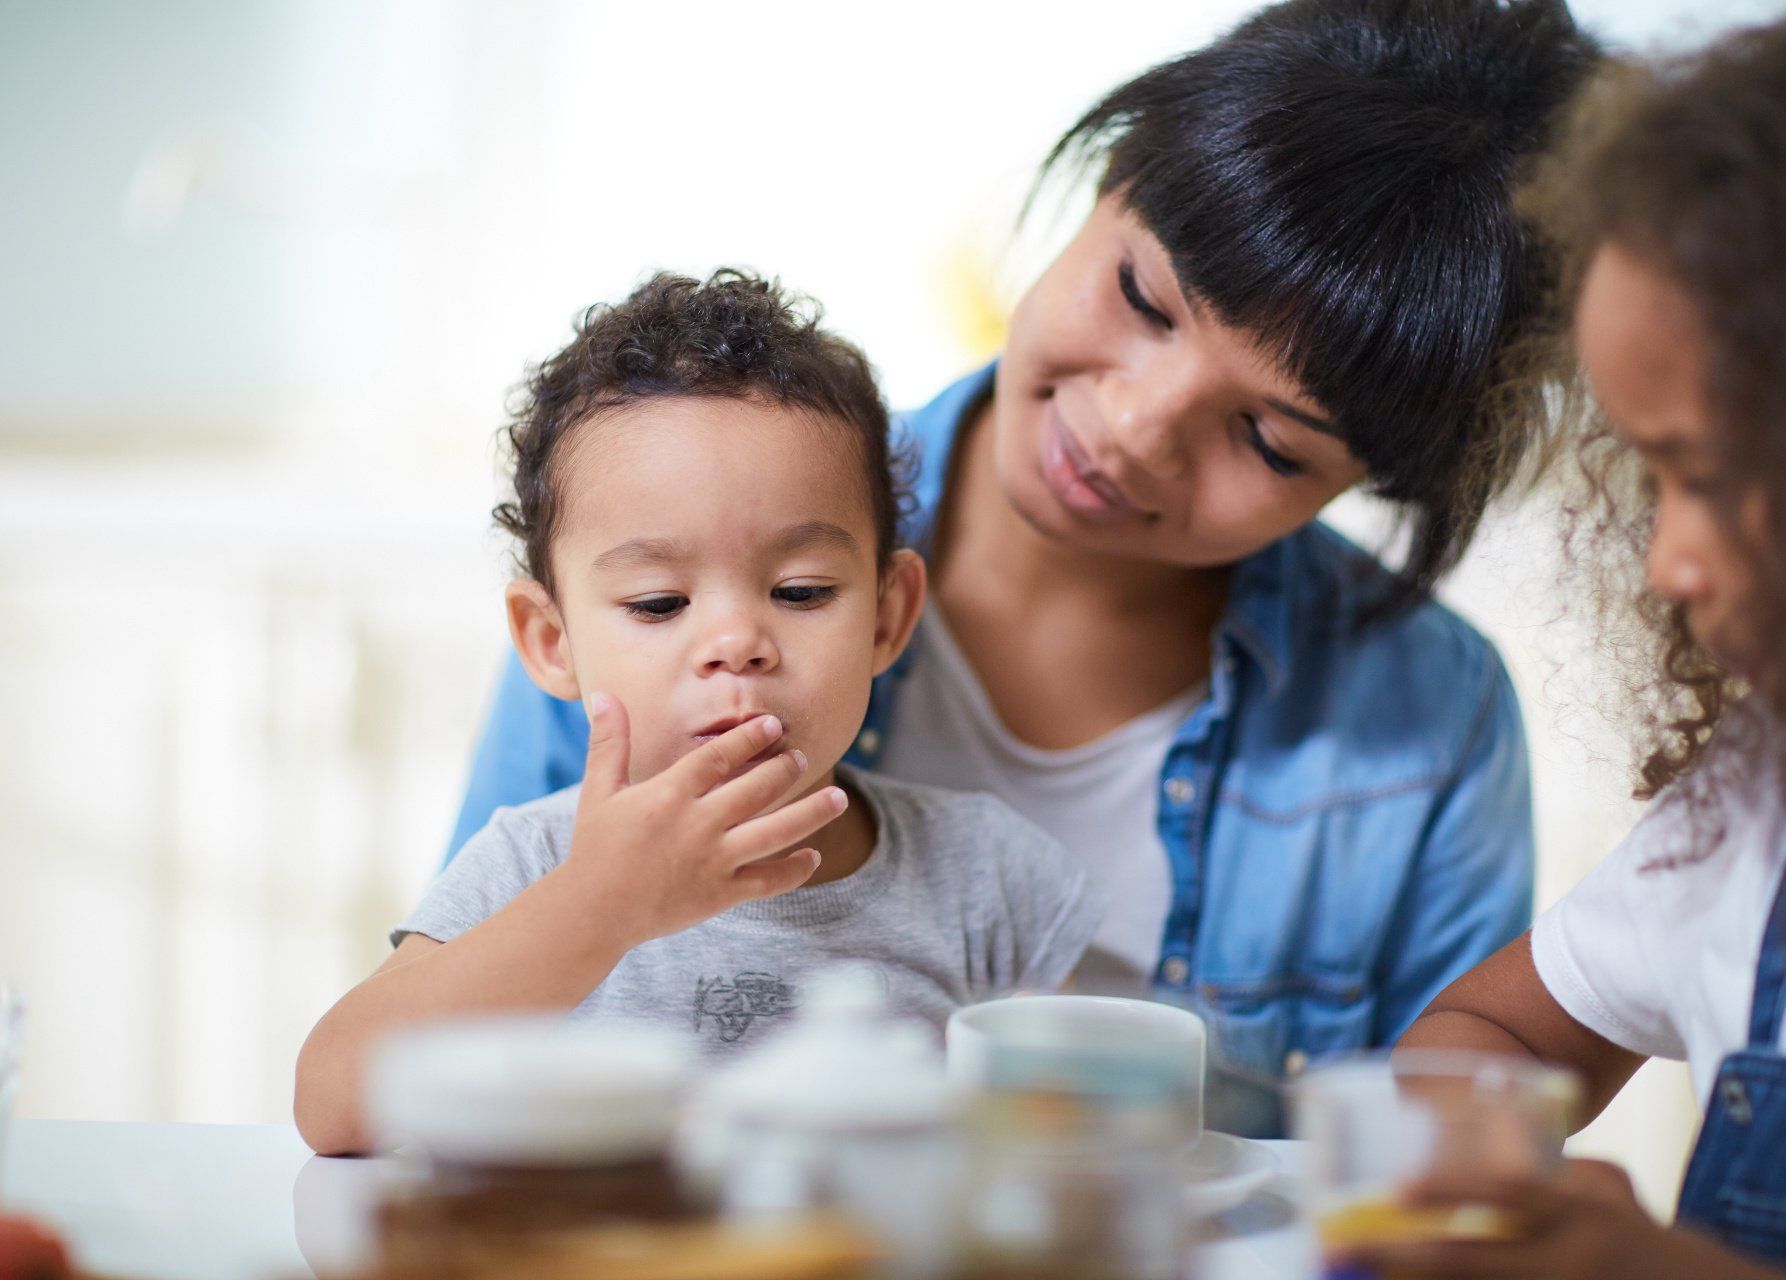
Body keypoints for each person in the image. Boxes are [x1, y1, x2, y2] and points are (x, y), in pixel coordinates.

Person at [450, 0, 1604, 1081]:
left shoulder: (1429, 719)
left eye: (1268, 438)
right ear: (1111, 178)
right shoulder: (668, 560)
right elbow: (455, 1047)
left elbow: (1430, 1167)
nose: (1136, 428)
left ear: (1372, 476)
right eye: (1145, 299)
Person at [294, 271, 1099, 1156]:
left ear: (887, 616)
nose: (736, 641)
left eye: (800, 590)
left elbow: (1072, 1149)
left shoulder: (984, 875)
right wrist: (598, 905)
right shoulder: (534, 865)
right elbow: (333, 1107)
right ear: (551, 641)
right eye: (656, 602)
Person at [1363, 3, 1786, 1277]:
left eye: (1713, 473)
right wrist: (1497, 1171)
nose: (1667, 561)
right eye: (1649, 477)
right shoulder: (1780, 796)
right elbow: (1489, 1025)